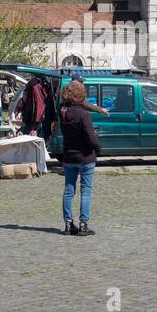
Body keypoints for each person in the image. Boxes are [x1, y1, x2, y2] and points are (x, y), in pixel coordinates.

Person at [59, 80, 99, 236]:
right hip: (85, 156)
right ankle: (83, 224)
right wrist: (98, 148)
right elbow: (91, 136)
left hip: (69, 156)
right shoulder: (84, 114)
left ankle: (68, 224)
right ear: (80, 96)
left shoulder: (63, 114)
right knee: (85, 191)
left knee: (69, 190)